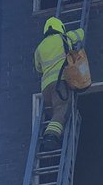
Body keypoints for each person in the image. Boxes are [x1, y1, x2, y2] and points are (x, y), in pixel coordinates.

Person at [34, 16, 85, 149]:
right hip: (60, 83)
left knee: (55, 112)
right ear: (59, 27)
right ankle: (51, 136)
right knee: (61, 110)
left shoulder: (39, 48)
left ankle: (55, 133)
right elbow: (80, 34)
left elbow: (38, 67)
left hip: (45, 88)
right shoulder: (64, 38)